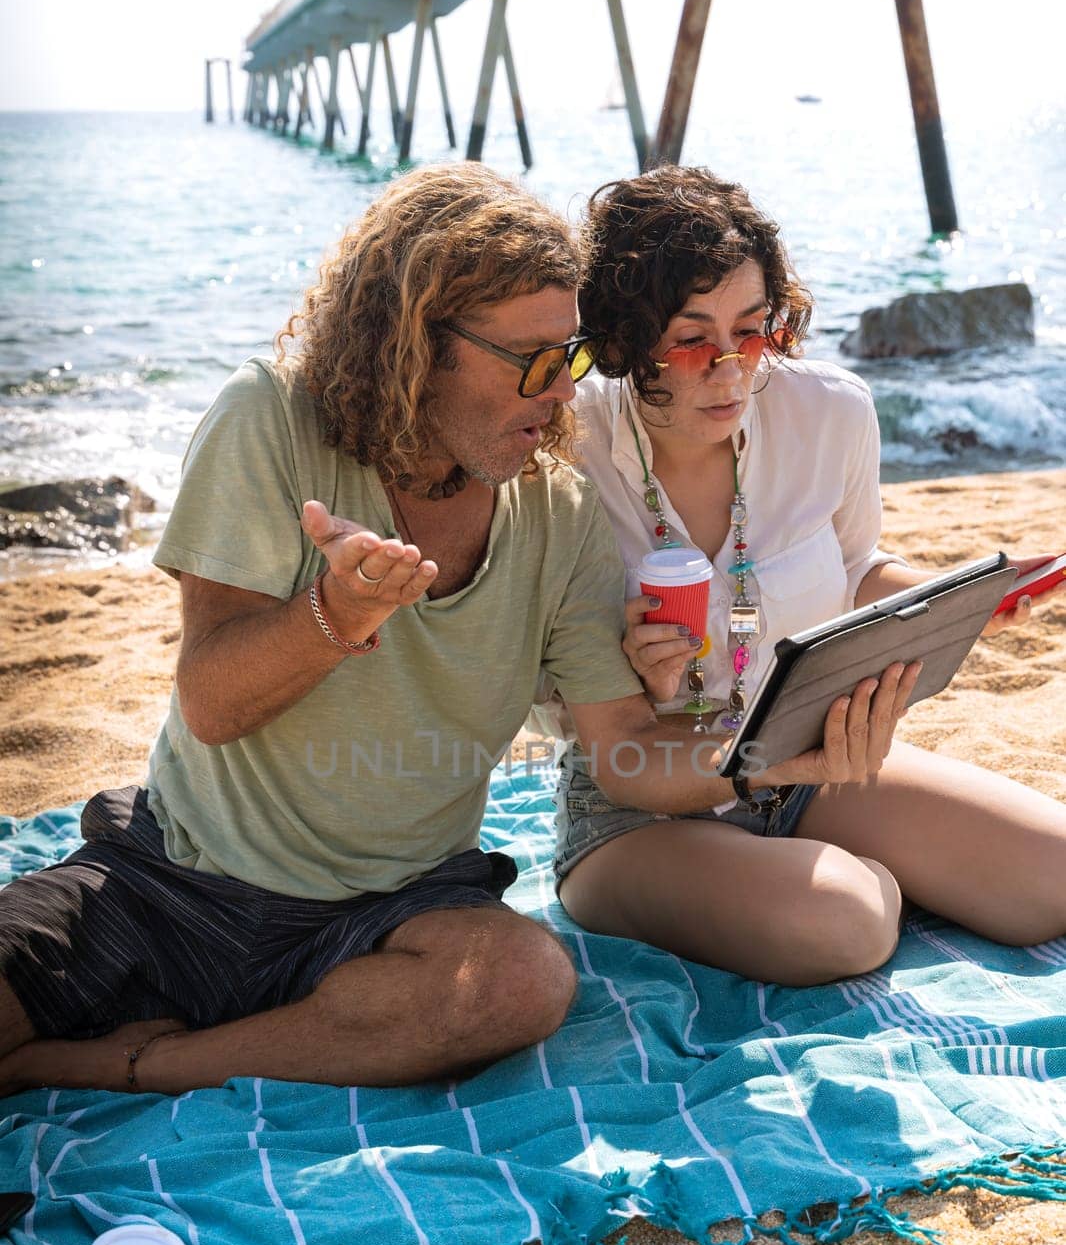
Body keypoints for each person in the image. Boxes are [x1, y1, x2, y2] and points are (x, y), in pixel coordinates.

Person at [1, 163, 893, 1099]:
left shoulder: (558, 506)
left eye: (574, 357)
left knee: (524, 983)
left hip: (399, 912)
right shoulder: (270, 420)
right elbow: (211, 705)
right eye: (536, 365)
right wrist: (335, 616)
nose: (563, 398)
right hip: (173, 879)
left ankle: (141, 1062)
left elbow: (624, 750)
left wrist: (772, 754)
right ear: (414, 346)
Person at [539, 165, 1066, 985]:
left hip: (812, 760)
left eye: (753, 330)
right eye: (690, 338)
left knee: (1050, 879)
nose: (732, 369)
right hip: (641, 805)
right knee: (844, 924)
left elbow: (857, 570)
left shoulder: (830, 413)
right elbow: (610, 744)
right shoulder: (562, 459)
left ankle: (824, 869)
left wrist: (957, 598)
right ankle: (837, 879)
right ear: (620, 339)